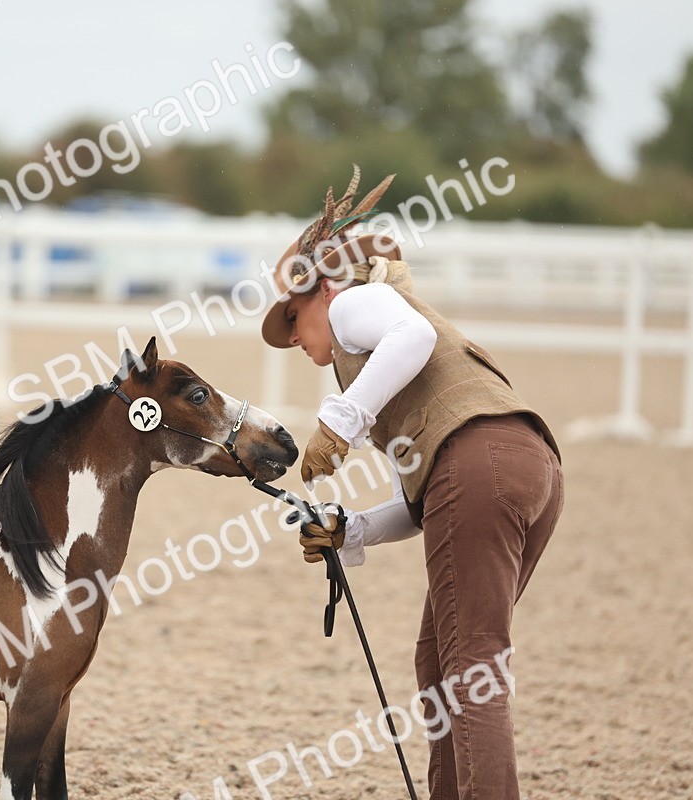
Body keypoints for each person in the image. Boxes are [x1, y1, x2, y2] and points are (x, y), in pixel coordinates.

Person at [261, 167, 564, 800]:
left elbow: (415, 338)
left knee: (470, 666)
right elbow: (430, 499)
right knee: (443, 658)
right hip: (527, 467)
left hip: (478, 466)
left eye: (292, 316)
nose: (291, 336)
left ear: (319, 290)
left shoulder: (349, 307)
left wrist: (341, 421)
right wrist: (355, 529)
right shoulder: (371, 330)